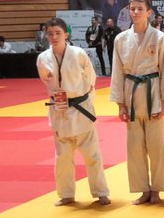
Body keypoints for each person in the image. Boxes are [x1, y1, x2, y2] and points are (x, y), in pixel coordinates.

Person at [109, 0, 164, 204]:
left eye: (139, 9)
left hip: (153, 92)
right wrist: (120, 104)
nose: (135, 12)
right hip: (130, 94)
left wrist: (163, 104)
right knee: (134, 147)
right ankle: (142, 189)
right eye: (132, 9)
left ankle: (157, 189)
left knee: (156, 145)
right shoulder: (120, 39)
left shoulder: (159, 37)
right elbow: (117, 72)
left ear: (149, 12)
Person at [37, 17, 110, 207]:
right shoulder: (43, 58)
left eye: (58, 33)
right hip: (59, 109)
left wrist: (86, 102)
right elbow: (46, 81)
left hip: (81, 108)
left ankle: (100, 192)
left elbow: (91, 79)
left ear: (66, 34)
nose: (54, 37)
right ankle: (66, 194)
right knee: (62, 156)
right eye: (50, 33)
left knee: (92, 154)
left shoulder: (78, 54)